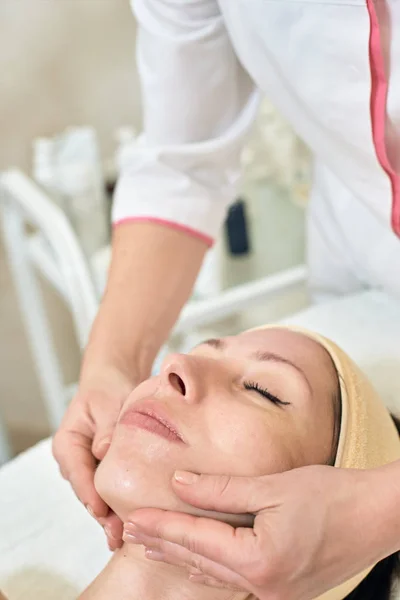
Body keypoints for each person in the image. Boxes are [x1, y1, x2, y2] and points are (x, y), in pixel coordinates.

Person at [52, 2, 400, 598]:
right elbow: (182, 157)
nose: (173, 367)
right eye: (197, 351)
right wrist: (109, 366)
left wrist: (382, 511)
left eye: (265, 391)